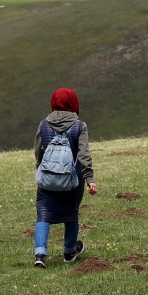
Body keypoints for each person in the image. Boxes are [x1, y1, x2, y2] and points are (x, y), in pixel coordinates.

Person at [33, 87, 97, 267]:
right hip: (72, 180)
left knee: (44, 214)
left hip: (47, 179)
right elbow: (84, 154)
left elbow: (38, 150)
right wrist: (89, 179)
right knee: (71, 214)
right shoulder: (79, 125)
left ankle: (40, 254)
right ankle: (70, 251)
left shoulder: (44, 124)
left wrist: (41, 168)